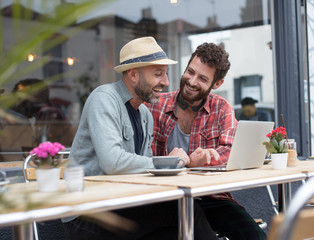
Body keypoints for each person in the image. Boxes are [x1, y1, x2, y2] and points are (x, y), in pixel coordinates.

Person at [62, 37, 218, 240]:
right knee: (179, 207)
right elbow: (112, 161)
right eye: (158, 74)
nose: (166, 82)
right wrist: (171, 162)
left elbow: (145, 174)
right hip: (87, 214)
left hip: (123, 205)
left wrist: (186, 164)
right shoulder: (103, 99)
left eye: (166, 74)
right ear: (133, 74)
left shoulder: (144, 114)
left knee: (176, 230)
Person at [146, 42, 267, 239]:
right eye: (190, 71)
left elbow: (231, 151)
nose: (192, 81)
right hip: (164, 199)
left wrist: (202, 161)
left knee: (256, 237)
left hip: (211, 198)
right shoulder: (154, 106)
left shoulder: (221, 108)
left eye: (202, 78)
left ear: (217, 84)